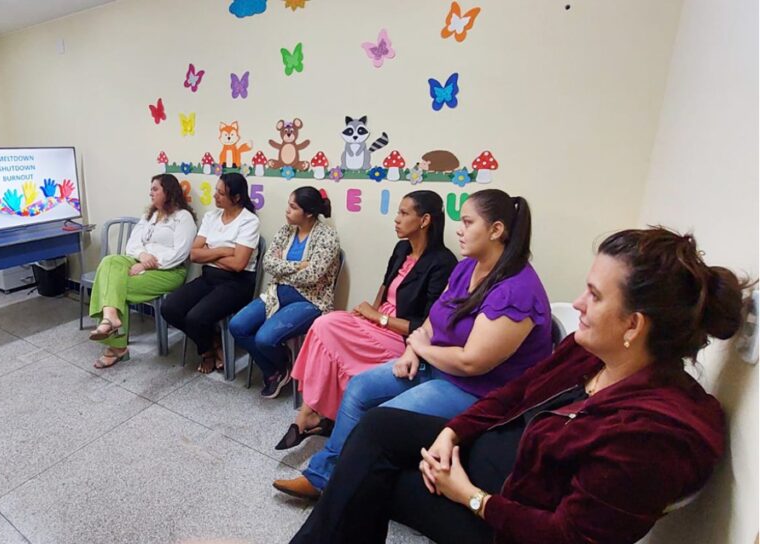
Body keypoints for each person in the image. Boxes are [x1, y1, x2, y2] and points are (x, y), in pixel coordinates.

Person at [290, 227, 746, 544]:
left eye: (595, 295)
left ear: (634, 324)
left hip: (507, 517)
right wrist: (453, 434)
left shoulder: (651, 437)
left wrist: (467, 495)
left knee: (369, 475)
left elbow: (567, 537)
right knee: (378, 427)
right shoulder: (592, 352)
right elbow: (516, 394)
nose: (579, 304)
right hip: (496, 458)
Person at [275, 188, 552, 499]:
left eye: (468, 222)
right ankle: (322, 474)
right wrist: (410, 351)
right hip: (437, 366)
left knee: (381, 419)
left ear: (496, 230)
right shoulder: (467, 267)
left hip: (478, 389)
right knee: (360, 388)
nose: (459, 229)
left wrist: (419, 348)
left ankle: (346, 486)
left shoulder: (516, 290)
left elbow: (472, 362)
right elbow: (435, 316)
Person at [275, 191, 457, 450]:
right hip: (379, 324)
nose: (396, 219)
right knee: (326, 324)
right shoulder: (402, 248)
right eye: (398, 212)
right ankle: (313, 412)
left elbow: (426, 326)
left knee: (327, 327)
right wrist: (367, 316)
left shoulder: (442, 263)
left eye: (404, 213)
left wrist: (378, 318)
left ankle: (313, 415)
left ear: (425, 220)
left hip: (404, 340)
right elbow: (385, 288)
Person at [229, 187, 340, 398]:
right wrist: (298, 265)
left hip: (311, 300)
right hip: (277, 292)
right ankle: (278, 368)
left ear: (308, 213)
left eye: (293, 207)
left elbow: (313, 276)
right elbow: (269, 263)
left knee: (264, 338)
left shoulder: (327, 236)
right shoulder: (286, 230)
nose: (287, 211)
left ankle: (276, 369)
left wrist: (285, 266)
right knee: (237, 326)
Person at [87, 174, 197, 368]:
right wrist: (142, 255)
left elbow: (180, 253)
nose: (150, 193)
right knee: (109, 261)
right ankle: (110, 318)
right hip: (137, 261)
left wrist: (146, 264)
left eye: (155, 189)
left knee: (111, 284)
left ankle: (116, 345)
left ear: (168, 192)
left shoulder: (183, 218)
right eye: (151, 189)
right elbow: (132, 244)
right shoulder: (151, 215)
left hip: (168, 271)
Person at [160, 172, 260, 374]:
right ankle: (213, 344)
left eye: (221, 193)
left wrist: (209, 253)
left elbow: (239, 264)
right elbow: (194, 254)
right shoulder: (211, 217)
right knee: (169, 307)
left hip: (237, 283)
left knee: (196, 318)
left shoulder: (249, 221)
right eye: (216, 190)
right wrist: (224, 251)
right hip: (209, 277)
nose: (215, 196)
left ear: (237, 197)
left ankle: (206, 352)